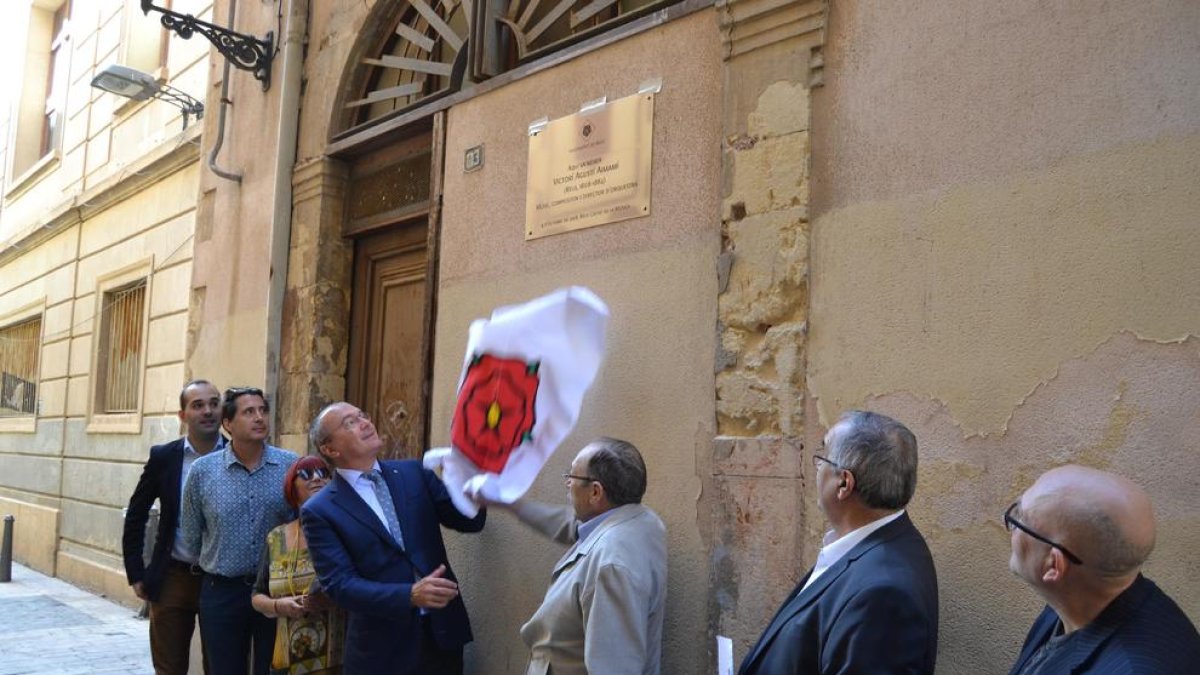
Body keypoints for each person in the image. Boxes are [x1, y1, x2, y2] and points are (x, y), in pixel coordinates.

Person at [739, 410, 939, 675]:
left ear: (843, 483)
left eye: (822, 457)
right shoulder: (880, 544)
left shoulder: (882, 593)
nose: (817, 469)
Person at [301, 402, 486, 675]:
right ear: (330, 449)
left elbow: (469, 521)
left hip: (441, 636)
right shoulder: (320, 511)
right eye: (349, 423)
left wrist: (470, 479)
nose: (365, 422)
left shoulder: (413, 473)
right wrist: (409, 595)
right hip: (381, 650)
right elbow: (340, 585)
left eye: (363, 415)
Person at [1006, 464, 1200, 674]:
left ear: (1054, 565)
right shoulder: (1075, 599)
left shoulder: (1133, 668)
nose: (1008, 524)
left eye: (1020, 519)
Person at [503, 437, 667, 675]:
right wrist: (512, 505)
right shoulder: (640, 522)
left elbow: (614, 669)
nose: (568, 482)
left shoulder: (611, 564)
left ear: (595, 492)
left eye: (572, 476)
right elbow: (575, 529)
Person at [181, 387, 298, 675]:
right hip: (222, 591)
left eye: (263, 411)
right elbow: (192, 534)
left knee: (275, 669)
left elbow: (302, 522)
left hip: (278, 590)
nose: (259, 418)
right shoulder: (203, 471)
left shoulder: (290, 465)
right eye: (249, 412)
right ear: (228, 424)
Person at [123, 379, 224, 675]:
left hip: (219, 581)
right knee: (169, 668)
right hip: (172, 577)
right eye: (198, 405)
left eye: (214, 403)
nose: (208, 411)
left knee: (221, 665)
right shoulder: (165, 457)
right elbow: (137, 513)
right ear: (183, 415)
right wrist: (136, 571)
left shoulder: (236, 456)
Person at [251, 455, 345, 674]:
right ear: (291, 487)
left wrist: (329, 599)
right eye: (306, 474)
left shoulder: (345, 530)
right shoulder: (276, 538)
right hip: (287, 659)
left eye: (323, 473)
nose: (316, 478)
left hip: (337, 659)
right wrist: (278, 606)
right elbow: (257, 595)